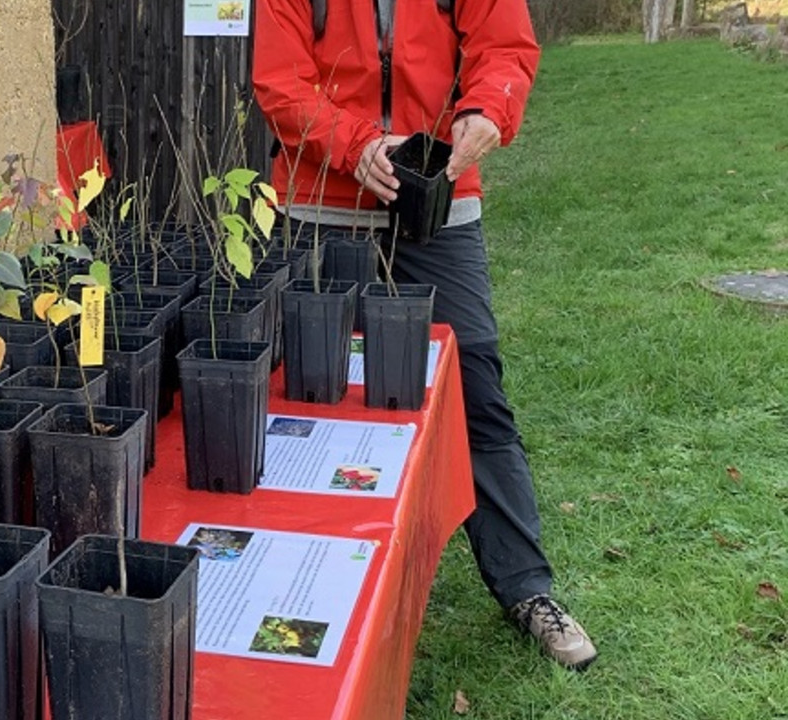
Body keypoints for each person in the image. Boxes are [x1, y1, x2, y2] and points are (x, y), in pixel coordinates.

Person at [252, 0, 597, 670]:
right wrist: (357, 146)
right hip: (319, 200)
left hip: (441, 196)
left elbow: (506, 48)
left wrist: (489, 110)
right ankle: (299, 581)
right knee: (307, 395)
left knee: (473, 386)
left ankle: (527, 588)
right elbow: (279, 81)